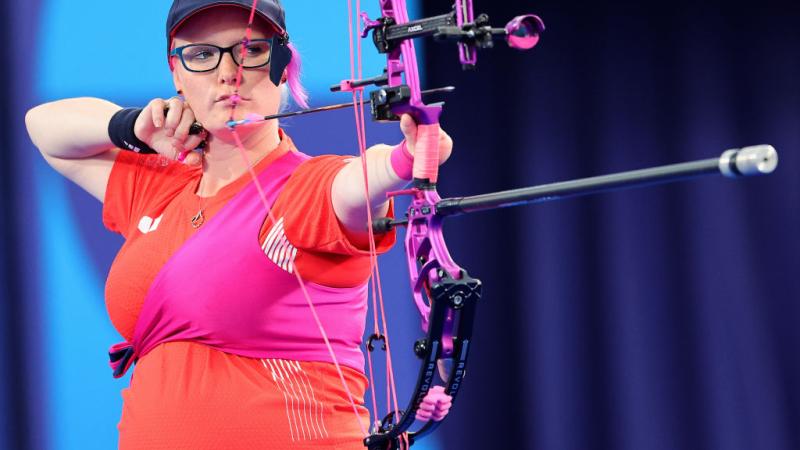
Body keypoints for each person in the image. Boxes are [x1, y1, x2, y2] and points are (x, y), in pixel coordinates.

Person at [24, 0, 452, 448]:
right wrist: (134, 127)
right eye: (203, 55)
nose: (228, 72)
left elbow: (359, 181)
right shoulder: (158, 184)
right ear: (176, 74)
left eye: (250, 51)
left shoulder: (304, 187)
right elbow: (43, 127)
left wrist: (405, 158)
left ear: (283, 67)